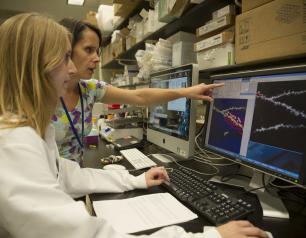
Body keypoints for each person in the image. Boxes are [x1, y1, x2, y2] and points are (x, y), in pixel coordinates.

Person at [0, 13, 269, 238]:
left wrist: (134, 179)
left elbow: (68, 175)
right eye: (65, 57)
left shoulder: (35, 128)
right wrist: (210, 235)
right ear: (35, 66)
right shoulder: (15, 143)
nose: (72, 69)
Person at [52, 18, 224, 163]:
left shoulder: (90, 89)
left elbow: (139, 96)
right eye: (88, 50)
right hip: (46, 187)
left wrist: (186, 92)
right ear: (66, 48)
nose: (96, 58)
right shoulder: (43, 93)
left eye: (97, 51)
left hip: (75, 179)